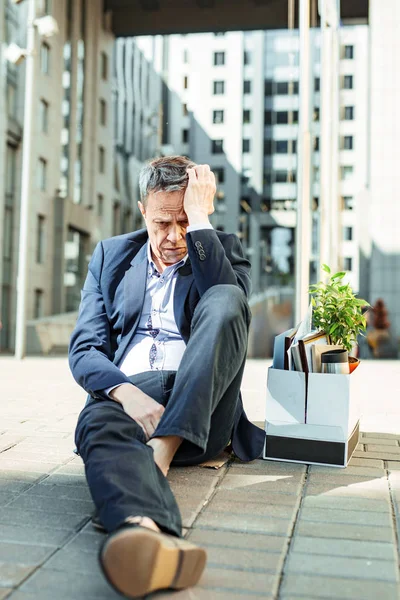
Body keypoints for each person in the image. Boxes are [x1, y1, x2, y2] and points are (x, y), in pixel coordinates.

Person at [69, 156, 264, 599]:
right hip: (131, 401)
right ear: (142, 210)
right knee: (97, 423)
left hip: (201, 412)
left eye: (183, 221)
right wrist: (125, 394)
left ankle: (161, 450)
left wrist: (201, 221)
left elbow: (227, 313)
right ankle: (144, 531)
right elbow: (85, 348)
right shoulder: (111, 256)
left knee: (228, 298)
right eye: (163, 223)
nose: (174, 236)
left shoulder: (220, 249)